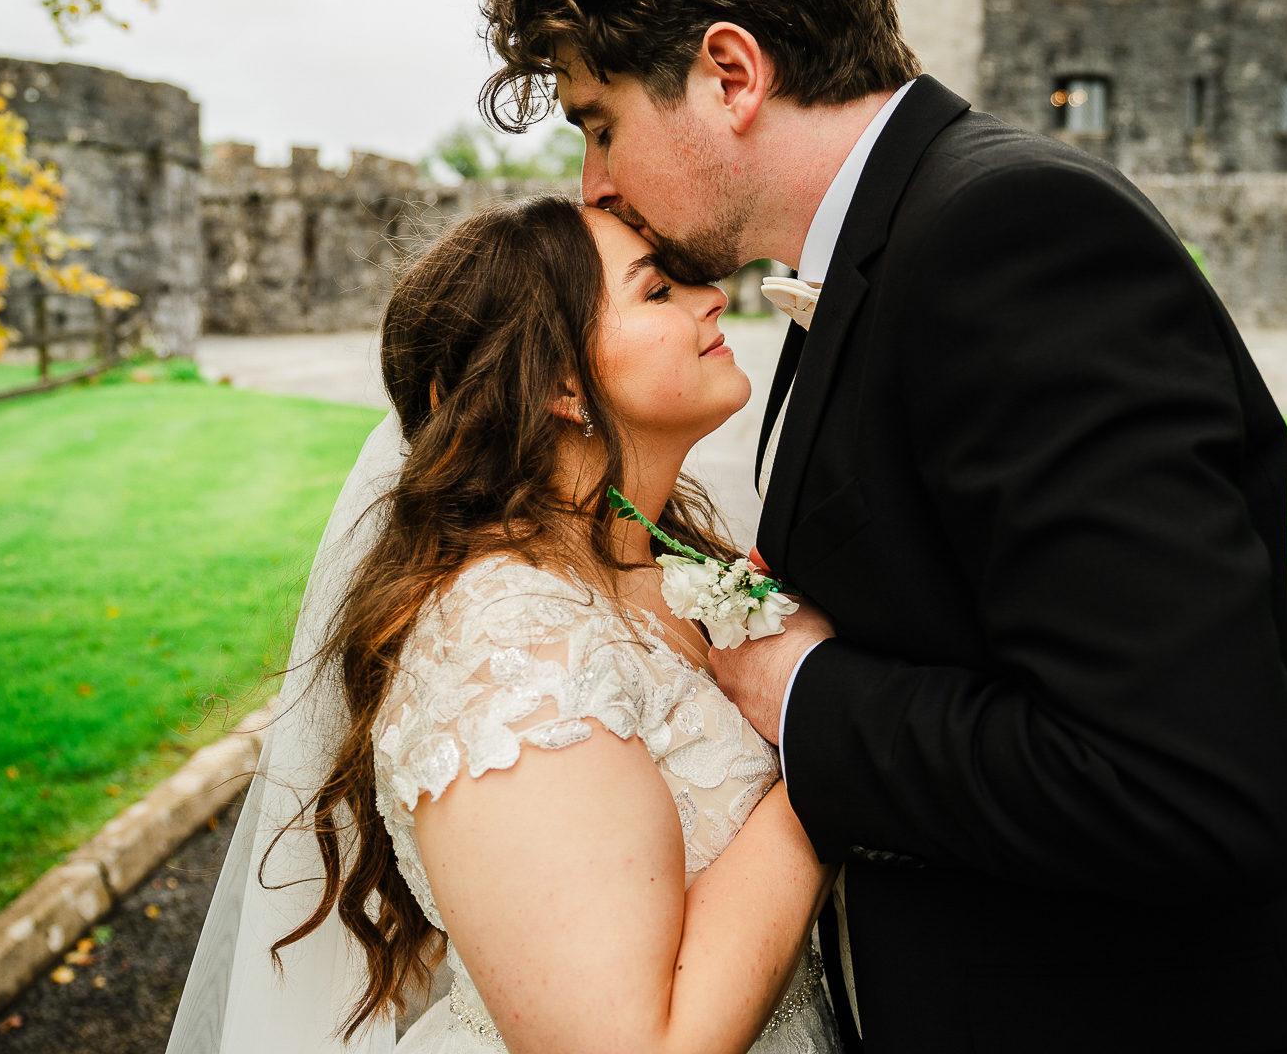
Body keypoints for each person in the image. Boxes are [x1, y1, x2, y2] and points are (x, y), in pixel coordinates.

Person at [477, 0, 1287, 1053]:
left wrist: (800, 688)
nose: (592, 185)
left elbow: (1192, 792)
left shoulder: (1011, 237)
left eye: (599, 124)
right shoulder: (870, 257)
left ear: (730, 74)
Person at [167, 195, 842, 1053]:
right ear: (562, 384)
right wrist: (831, 751)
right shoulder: (506, 647)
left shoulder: (654, 564)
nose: (712, 294)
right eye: (658, 293)